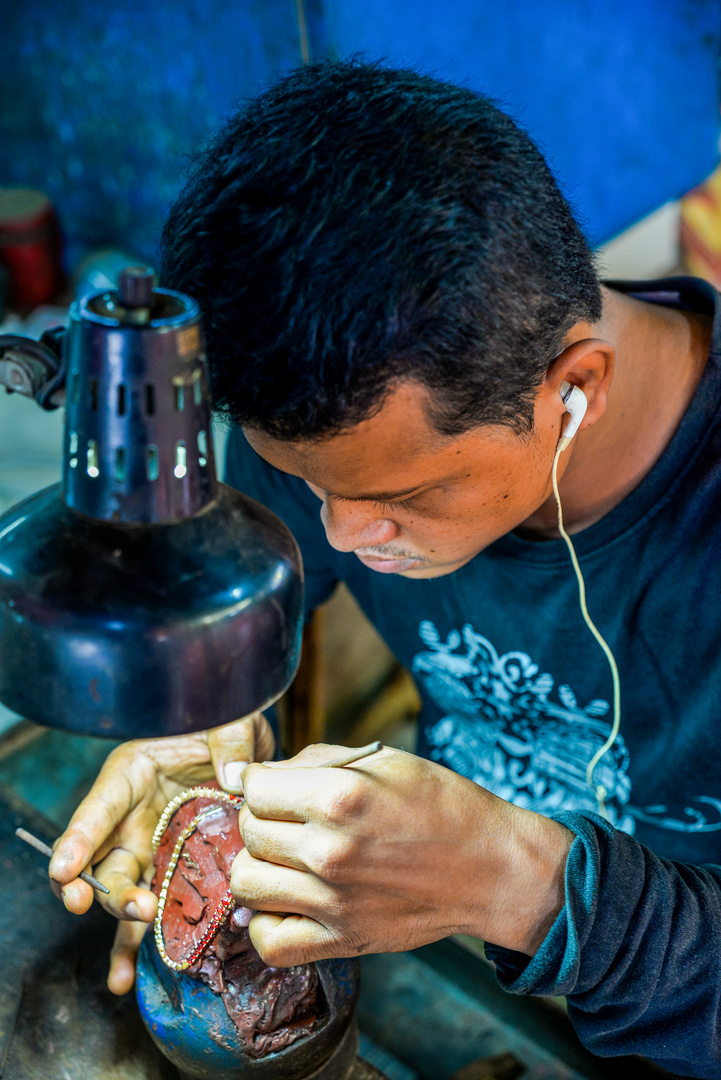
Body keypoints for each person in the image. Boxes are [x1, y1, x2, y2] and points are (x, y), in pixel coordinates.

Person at [49, 60, 721, 1077]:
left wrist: (525, 886)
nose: (346, 534)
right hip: (458, 950)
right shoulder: (328, 411)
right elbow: (260, 582)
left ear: (572, 388)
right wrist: (215, 710)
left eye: (409, 498)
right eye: (307, 487)